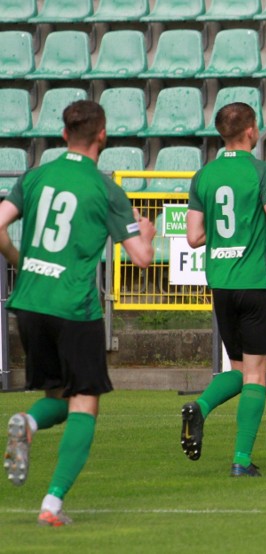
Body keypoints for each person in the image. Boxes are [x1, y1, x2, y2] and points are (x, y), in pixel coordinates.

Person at [0, 100, 155, 526]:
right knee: (86, 404)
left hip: (30, 303)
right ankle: (52, 504)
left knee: (60, 399)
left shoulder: (34, 176)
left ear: (64, 134)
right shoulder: (105, 188)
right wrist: (149, 232)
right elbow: (142, 258)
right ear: (102, 136)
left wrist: (20, 261)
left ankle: (29, 421)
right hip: (74, 306)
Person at [180, 102, 266, 477]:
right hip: (256, 283)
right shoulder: (263, 172)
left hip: (221, 285)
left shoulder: (204, 175)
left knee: (238, 368)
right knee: (256, 374)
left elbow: (194, 236)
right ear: (252, 130)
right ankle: (240, 459)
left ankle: (201, 407)